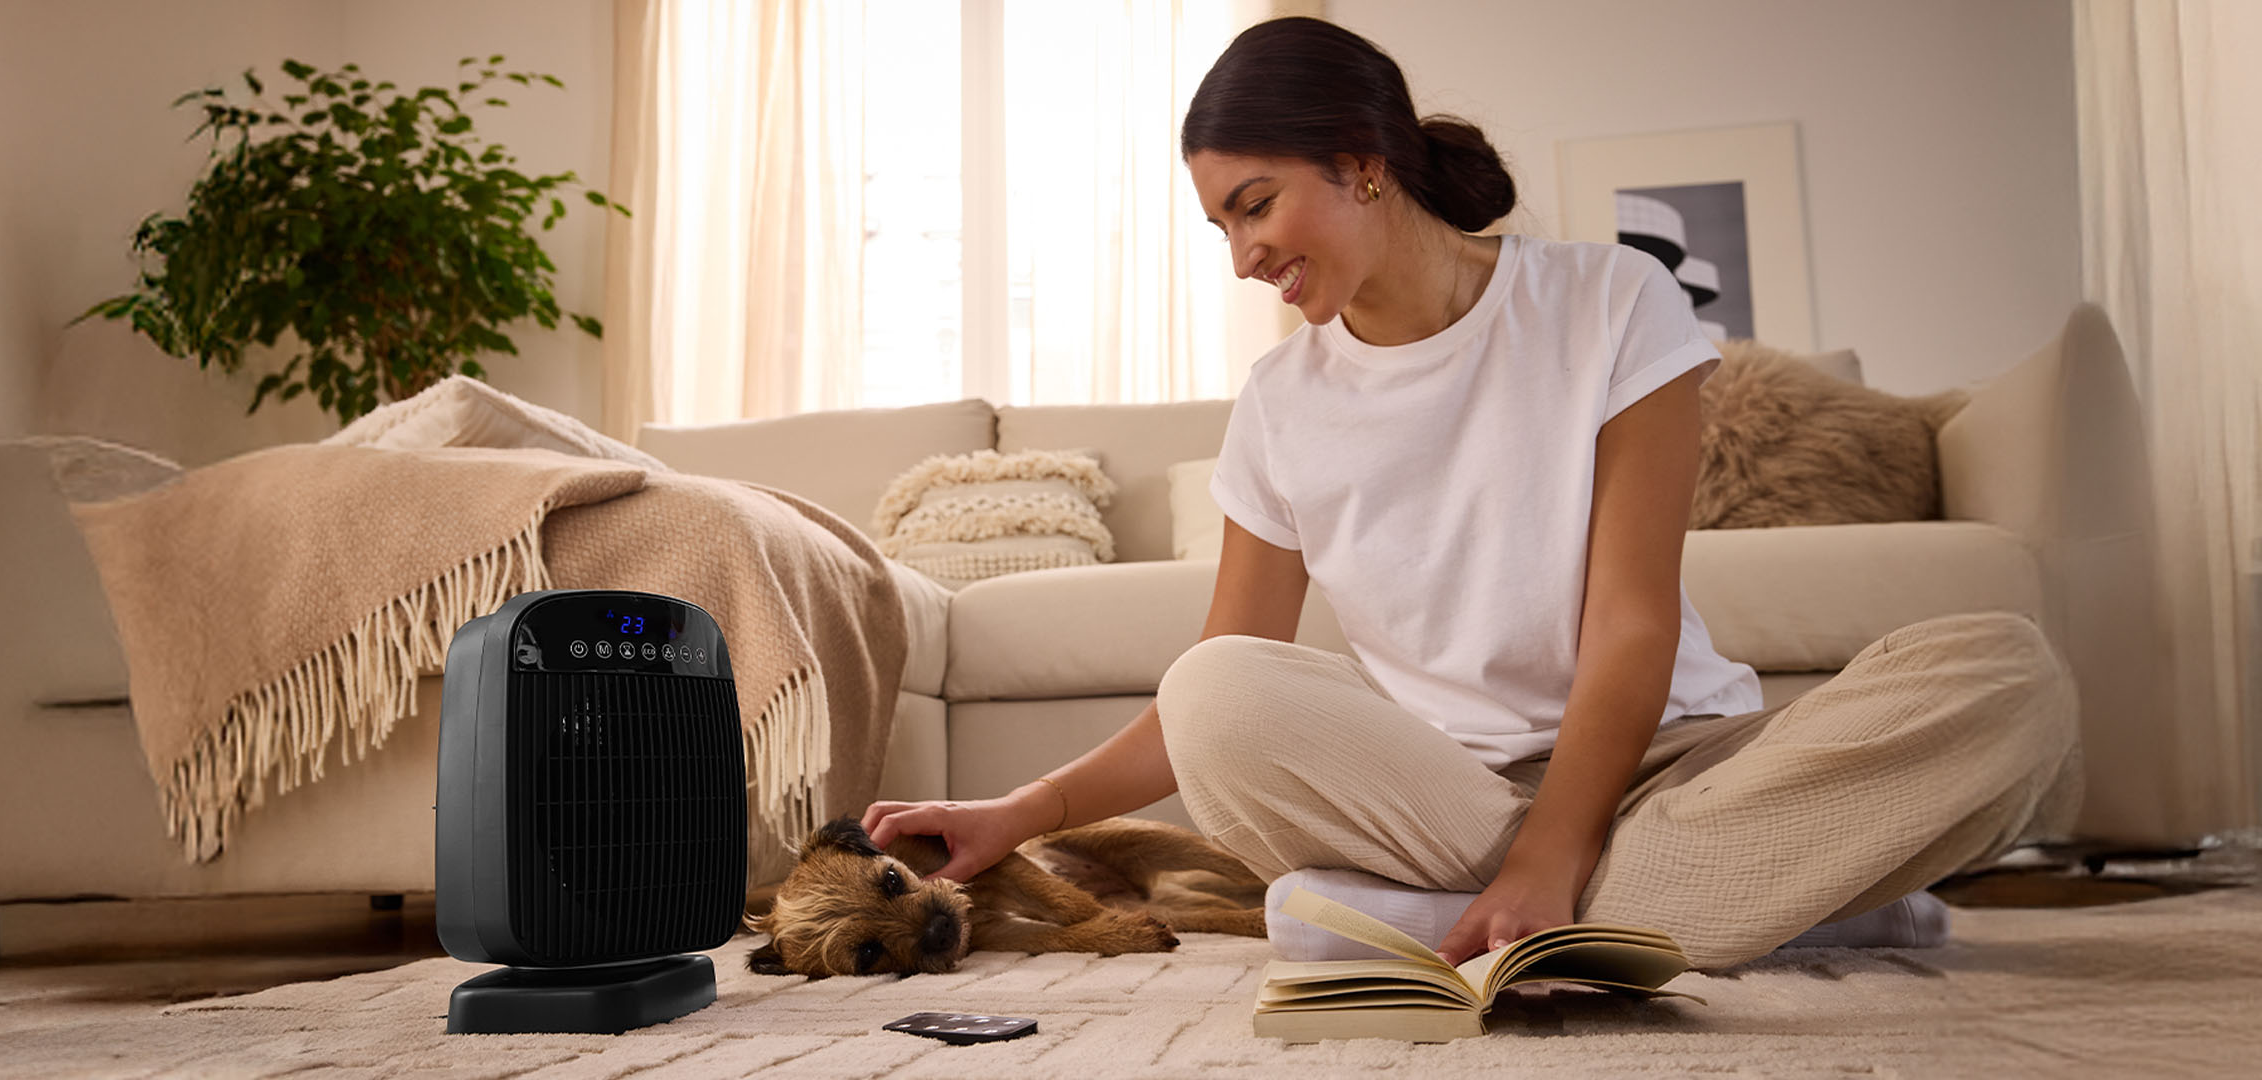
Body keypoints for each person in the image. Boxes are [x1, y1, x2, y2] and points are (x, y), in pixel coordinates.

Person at [862, 16, 2077, 970]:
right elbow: (1219, 684)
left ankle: (1461, 915)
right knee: (1217, 687)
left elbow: (1634, 619)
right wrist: (1017, 814)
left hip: (1676, 761)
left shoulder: (1611, 303)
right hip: (1440, 797)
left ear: (1360, 162)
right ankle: (1778, 909)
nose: (1243, 257)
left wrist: (1558, 848)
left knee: (2008, 677)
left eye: (1254, 205)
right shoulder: (1282, 403)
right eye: (1220, 226)